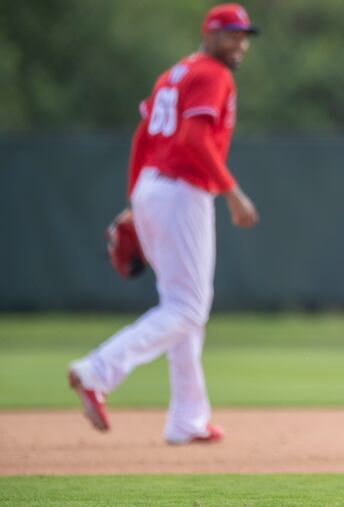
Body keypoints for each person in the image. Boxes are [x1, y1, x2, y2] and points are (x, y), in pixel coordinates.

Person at [68, 3, 260, 445]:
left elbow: (142, 137)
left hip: (155, 185)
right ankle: (97, 371)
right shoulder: (213, 74)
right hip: (181, 190)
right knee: (188, 308)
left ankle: (187, 419)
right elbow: (194, 137)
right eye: (231, 34)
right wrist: (232, 192)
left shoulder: (174, 73)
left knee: (182, 304)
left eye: (244, 35)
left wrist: (135, 197)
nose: (240, 43)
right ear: (209, 34)